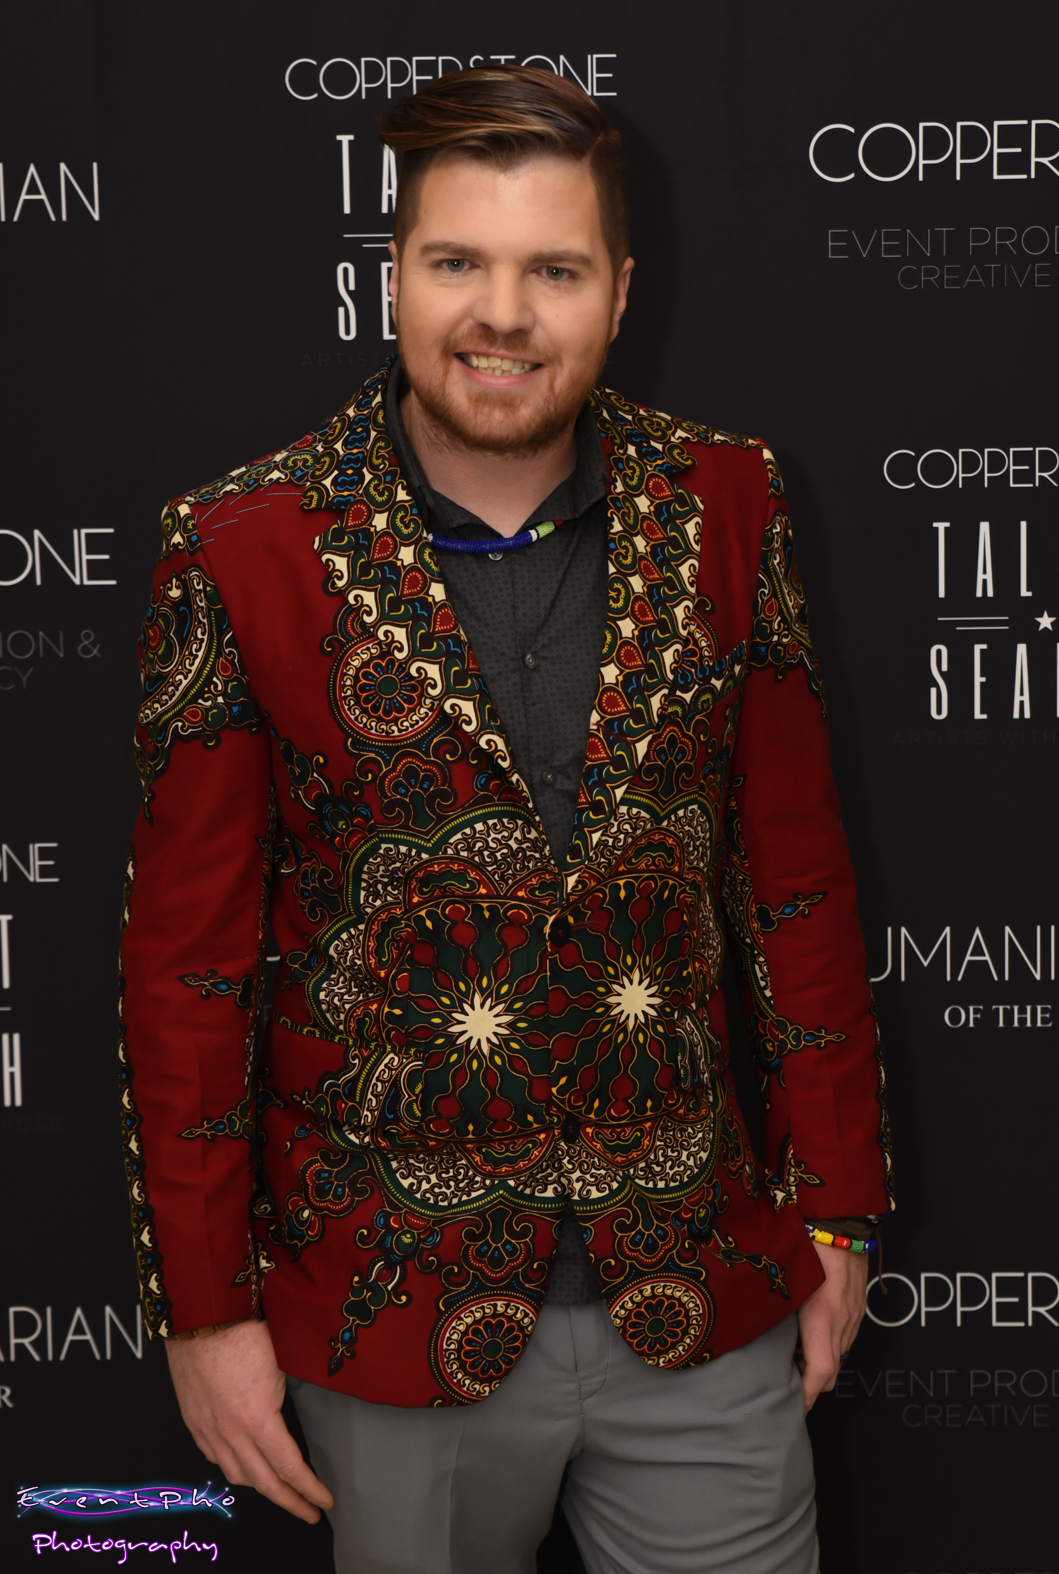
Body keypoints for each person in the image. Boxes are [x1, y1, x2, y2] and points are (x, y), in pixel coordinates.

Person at [120, 64, 893, 1574]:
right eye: (457, 261)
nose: (502, 314)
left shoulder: (731, 501)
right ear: (392, 276)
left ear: (620, 292)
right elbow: (188, 975)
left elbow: (796, 881)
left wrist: (840, 1214)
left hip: (703, 1290)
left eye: (554, 270)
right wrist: (206, 1313)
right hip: (389, 1309)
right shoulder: (242, 545)